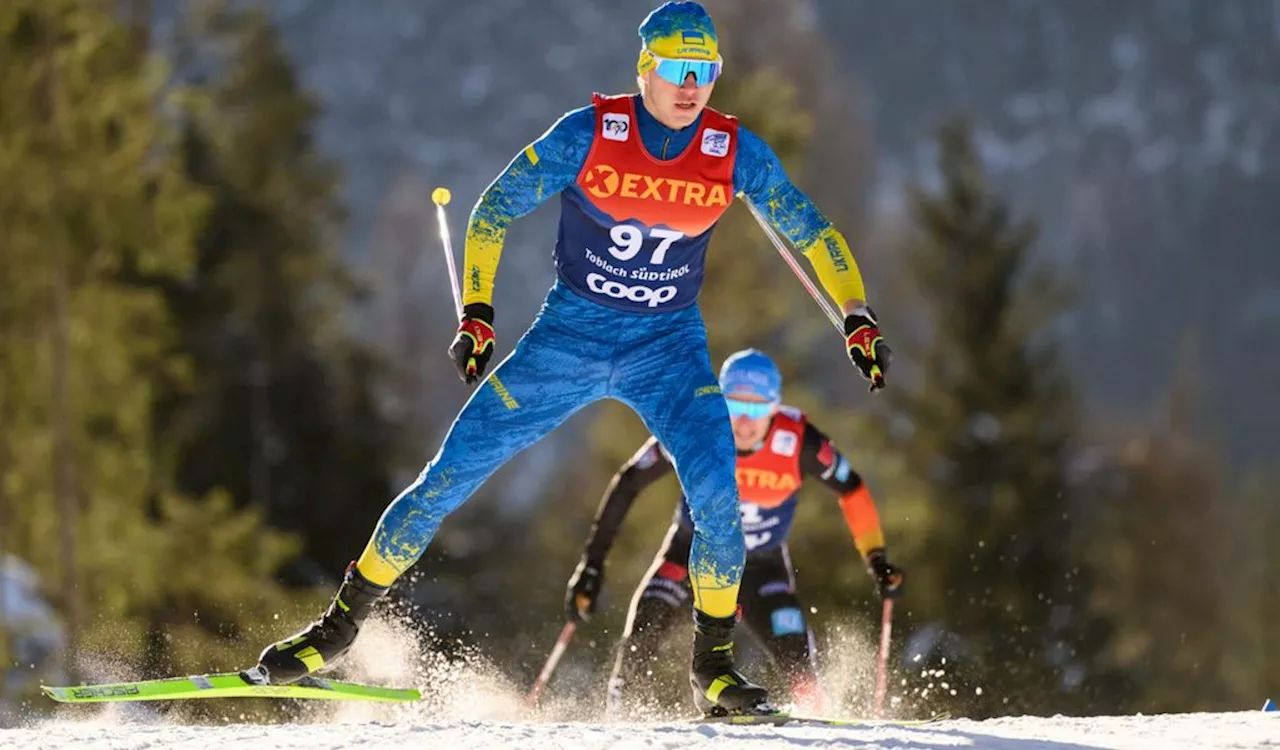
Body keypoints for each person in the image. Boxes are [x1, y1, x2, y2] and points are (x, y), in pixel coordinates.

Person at [255, 1, 891, 717]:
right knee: (446, 479)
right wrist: (478, 315)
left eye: (706, 70)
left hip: (668, 351)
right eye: (678, 69)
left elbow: (813, 232)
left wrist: (857, 317)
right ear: (644, 70)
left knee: (720, 499)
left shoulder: (733, 150)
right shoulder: (592, 132)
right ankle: (335, 632)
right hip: (569, 341)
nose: (693, 86)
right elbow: (493, 208)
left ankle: (710, 669)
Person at [565, 349, 904, 718]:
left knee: (797, 661)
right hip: (690, 555)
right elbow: (629, 483)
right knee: (644, 630)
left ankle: (817, 721)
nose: (744, 421)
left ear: (775, 408)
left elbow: (851, 489)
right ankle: (620, 715)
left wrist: (876, 558)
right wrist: (592, 564)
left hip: (761, 565)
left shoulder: (799, 441)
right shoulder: (694, 428)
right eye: (735, 406)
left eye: (757, 410)